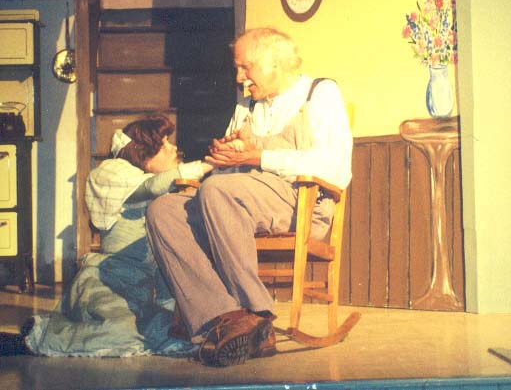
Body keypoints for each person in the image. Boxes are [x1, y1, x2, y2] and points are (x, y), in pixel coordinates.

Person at [146, 27, 352, 367]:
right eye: (238, 68)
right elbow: (232, 166)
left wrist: (257, 157)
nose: (240, 78)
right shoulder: (248, 104)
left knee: (218, 191)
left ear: (276, 63)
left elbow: (334, 166)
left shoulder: (319, 93)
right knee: (163, 210)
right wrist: (223, 155)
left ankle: (257, 314)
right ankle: (224, 317)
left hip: (302, 200)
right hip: (237, 195)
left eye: (246, 67)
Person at [0, 115, 212, 357]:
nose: (173, 148)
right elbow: (151, 186)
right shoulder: (114, 172)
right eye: (163, 144)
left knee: (170, 331)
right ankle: (37, 337)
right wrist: (207, 165)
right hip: (108, 281)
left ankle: (54, 330)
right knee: (122, 331)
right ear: (141, 151)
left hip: (141, 290)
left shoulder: (167, 191)